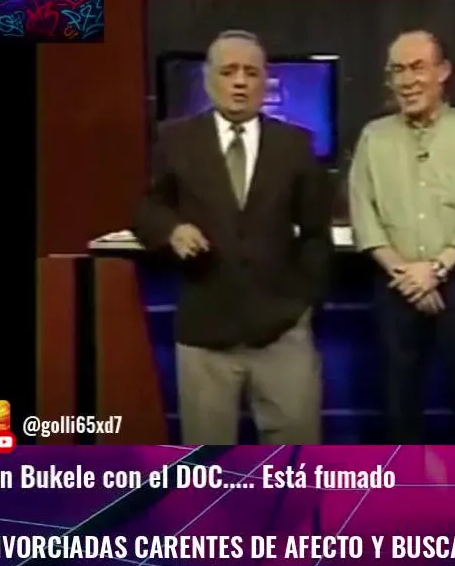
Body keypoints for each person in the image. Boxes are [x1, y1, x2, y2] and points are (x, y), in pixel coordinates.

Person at [133, 30, 332, 445]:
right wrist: (173, 229)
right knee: (208, 459)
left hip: (281, 330)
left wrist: (302, 304)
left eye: (251, 72)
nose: (240, 82)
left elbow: (316, 233)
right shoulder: (175, 139)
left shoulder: (296, 144)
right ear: (208, 79)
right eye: (228, 72)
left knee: (295, 459)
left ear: (265, 81)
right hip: (206, 327)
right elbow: (148, 208)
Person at [348, 30, 455, 444]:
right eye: (397, 70)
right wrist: (407, 276)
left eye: (417, 67)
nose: (407, 80)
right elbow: (363, 212)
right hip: (396, 284)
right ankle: (403, 481)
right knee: (397, 402)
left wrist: (436, 269)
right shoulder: (374, 136)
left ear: (443, 71)